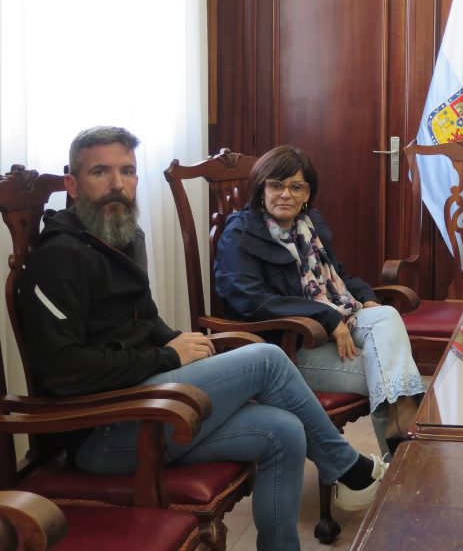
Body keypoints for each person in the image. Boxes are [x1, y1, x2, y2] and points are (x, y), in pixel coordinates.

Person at [17, 126, 386, 551]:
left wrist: (183, 346)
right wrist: (168, 358)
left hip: (147, 406)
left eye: (128, 171)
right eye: (101, 171)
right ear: (72, 184)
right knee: (265, 359)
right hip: (104, 431)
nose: (118, 184)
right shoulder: (59, 257)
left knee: (284, 430)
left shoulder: (119, 238)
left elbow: (144, 321)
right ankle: (350, 470)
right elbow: (64, 370)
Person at [215, 145, 425, 458]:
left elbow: (338, 275)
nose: (286, 194)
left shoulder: (308, 225)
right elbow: (252, 301)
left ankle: (398, 453)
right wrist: (326, 317)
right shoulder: (240, 235)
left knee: (386, 318)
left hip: (329, 328)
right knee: (389, 372)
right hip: (287, 347)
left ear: (307, 193)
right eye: (276, 185)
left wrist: (367, 299)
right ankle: (402, 463)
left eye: (296, 187)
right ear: (261, 189)